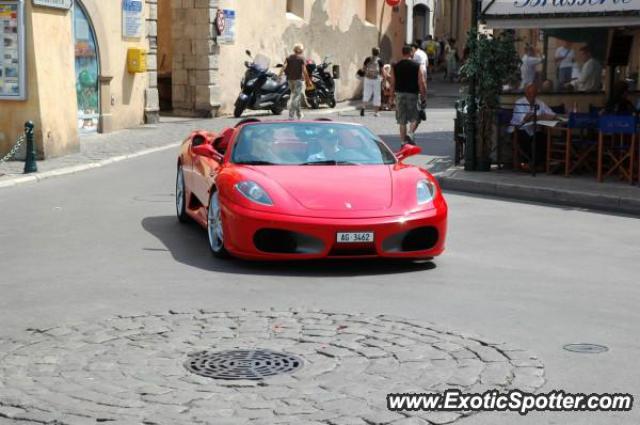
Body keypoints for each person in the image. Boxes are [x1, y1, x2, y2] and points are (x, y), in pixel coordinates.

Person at [510, 83, 557, 167]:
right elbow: (524, 119)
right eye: (530, 93)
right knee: (529, 140)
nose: (532, 95)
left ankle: (538, 164)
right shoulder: (520, 103)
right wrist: (541, 116)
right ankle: (530, 163)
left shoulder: (540, 102)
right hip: (519, 130)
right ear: (526, 93)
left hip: (534, 130)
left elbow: (552, 115)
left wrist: (536, 117)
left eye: (534, 93)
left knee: (543, 138)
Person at [391, 45, 427, 145]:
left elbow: (392, 82)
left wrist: (390, 97)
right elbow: (422, 82)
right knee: (415, 117)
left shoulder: (395, 65)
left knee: (402, 121)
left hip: (399, 94)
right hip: (413, 94)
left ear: (402, 53)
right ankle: (411, 133)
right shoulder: (417, 65)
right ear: (411, 53)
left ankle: (403, 142)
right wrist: (424, 96)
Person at [282, 43, 311, 120]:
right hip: (298, 80)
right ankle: (291, 115)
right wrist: (308, 80)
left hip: (290, 80)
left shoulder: (288, 57)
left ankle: (299, 114)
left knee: (295, 96)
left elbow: (284, 67)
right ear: (301, 50)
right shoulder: (301, 58)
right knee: (296, 97)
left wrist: (279, 75)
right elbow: (304, 70)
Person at [360, 47, 384, 117]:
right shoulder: (380, 61)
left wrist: (366, 73)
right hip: (376, 79)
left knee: (366, 93)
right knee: (377, 95)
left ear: (372, 52)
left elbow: (363, 69)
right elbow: (382, 71)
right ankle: (376, 112)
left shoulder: (368, 59)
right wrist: (384, 79)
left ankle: (363, 108)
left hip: (368, 78)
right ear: (378, 53)